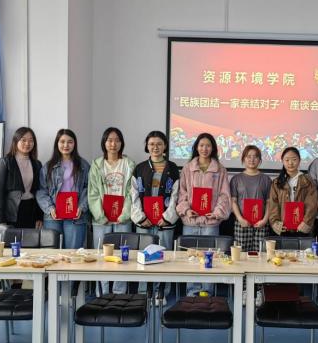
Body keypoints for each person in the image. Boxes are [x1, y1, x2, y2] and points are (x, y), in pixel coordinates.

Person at [176, 133, 231, 296]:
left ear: (213, 148)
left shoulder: (220, 169)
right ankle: (192, 291)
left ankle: (207, 291)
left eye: (208, 145)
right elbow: (182, 193)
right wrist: (187, 210)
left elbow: (224, 195)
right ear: (196, 147)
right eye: (201, 145)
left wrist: (217, 213)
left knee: (210, 257)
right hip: (190, 221)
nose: (204, 149)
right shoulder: (187, 168)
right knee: (191, 257)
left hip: (210, 222)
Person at [130, 131, 180, 302]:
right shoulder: (140, 168)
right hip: (144, 221)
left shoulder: (173, 168)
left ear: (165, 146)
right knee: (143, 257)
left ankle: (161, 292)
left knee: (162, 256)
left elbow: (176, 195)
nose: (155, 147)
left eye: (159, 144)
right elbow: (134, 195)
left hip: (164, 222)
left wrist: (167, 217)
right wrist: (140, 217)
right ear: (147, 146)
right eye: (151, 144)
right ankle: (144, 292)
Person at [36, 129, 90, 249]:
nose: (66, 145)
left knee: (73, 253)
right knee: (53, 253)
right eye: (62, 141)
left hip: (76, 216)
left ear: (74, 144)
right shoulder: (48, 167)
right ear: (57, 143)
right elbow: (41, 191)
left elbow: (89, 189)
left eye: (70, 142)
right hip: (53, 216)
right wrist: (50, 208)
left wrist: (82, 207)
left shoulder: (83, 165)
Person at [88, 127, 135, 247]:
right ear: (104, 142)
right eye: (110, 140)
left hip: (123, 219)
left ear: (121, 143)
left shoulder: (129, 164)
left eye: (117, 140)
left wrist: (125, 215)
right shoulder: (97, 165)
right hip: (101, 220)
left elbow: (131, 192)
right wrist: (100, 216)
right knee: (100, 253)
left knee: (123, 253)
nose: (113, 144)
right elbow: (93, 193)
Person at [0, 127, 43, 228]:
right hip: (12, 213)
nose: (27, 143)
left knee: (30, 238)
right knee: (12, 239)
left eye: (31, 140)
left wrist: (39, 217)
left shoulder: (37, 164)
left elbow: (39, 191)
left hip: (31, 211)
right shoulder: (5, 162)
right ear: (16, 141)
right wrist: (0, 219)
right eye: (23, 140)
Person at [268, 147, 318, 238]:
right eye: (287, 160)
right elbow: (273, 204)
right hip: (283, 228)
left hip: (301, 228)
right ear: (282, 161)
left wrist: (306, 222)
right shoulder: (277, 182)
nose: (290, 163)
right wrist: (276, 223)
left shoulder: (307, 181)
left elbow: (312, 204)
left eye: (294, 159)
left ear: (299, 160)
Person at [230, 145, 272, 252]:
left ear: (259, 160)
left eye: (255, 157)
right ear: (243, 158)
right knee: (241, 254)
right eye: (249, 156)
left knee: (261, 254)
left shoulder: (266, 179)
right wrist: (240, 219)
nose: (252, 159)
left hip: (261, 223)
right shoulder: (236, 179)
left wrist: (265, 220)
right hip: (242, 222)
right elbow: (233, 201)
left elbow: (269, 202)